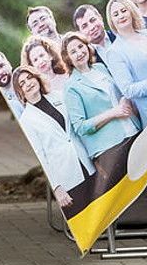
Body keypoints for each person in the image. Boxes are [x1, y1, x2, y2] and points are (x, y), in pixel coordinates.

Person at [63, 32, 140, 196]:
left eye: (80, 47)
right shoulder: (71, 87)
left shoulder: (101, 68)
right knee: (129, 194)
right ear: (68, 59)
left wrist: (125, 100)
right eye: (73, 51)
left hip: (133, 131)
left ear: (87, 47)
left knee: (146, 184)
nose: (79, 52)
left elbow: (119, 93)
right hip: (109, 147)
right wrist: (113, 113)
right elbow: (81, 127)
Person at [12, 67, 92, 210]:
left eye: (29, 78)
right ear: (20, 92)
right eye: (22, 83)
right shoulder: (27, 120)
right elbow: (40, 155)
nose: (28, 83)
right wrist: (56, 187)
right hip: (66, 174)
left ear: (36, 78)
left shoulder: (58, 96)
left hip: (84, 160)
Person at [96, 0, 147, 128]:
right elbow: (128, 90)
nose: (121, 16)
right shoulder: (114, 51)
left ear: (131, 11)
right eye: (116, 14)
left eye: (124, 10)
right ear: (111, 20)